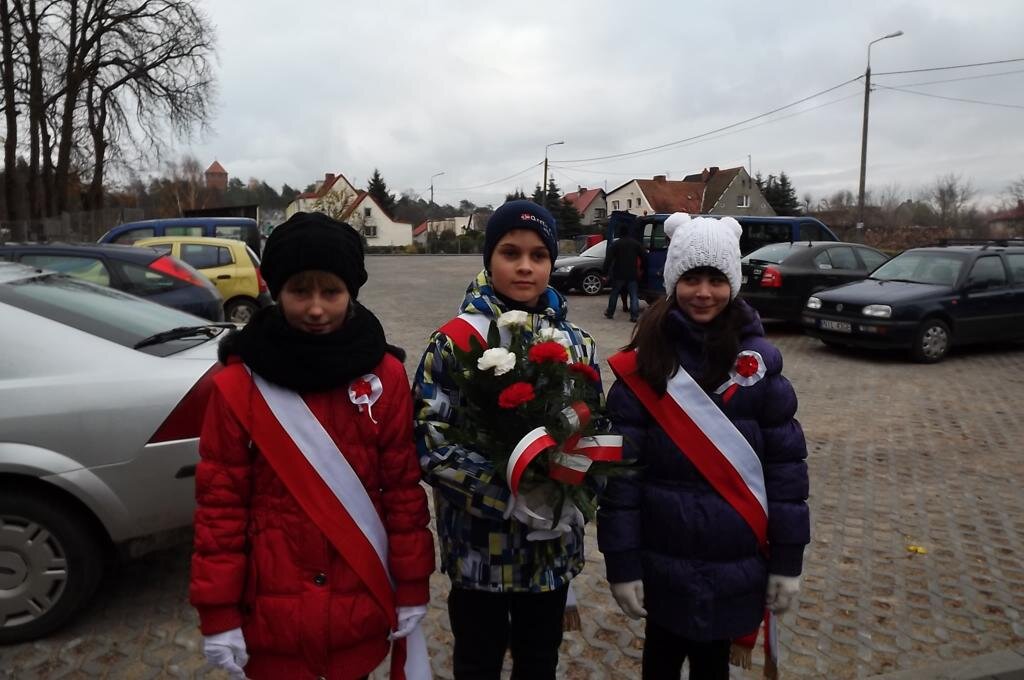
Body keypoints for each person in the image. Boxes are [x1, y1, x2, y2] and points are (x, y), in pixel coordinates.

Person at [189, 212, 435, 680]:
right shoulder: (237, 386)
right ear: (275, 290)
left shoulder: (385, 378)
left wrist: (411, 586)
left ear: (352, 293)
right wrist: (218, 612)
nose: (317, 308)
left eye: (332, 291)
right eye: (300, 291)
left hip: (357, 605)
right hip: (271, 617)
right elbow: (220, 508)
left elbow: (403, 493)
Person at [597, 212, 809, 680]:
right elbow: (621, 479)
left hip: (735, 564)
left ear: (733, 283)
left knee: (714, 668)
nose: (704, 292)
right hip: (662, 562)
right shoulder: (646, 365)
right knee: (660, 663)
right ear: (673, 281)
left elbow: (787, 473)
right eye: (691, 278)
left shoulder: (761, 369)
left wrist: (788, 560)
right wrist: (622, 562)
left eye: (717, 279)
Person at [413, 200, 603, 680]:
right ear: (489, 258)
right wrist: (509, 496)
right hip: (481, 552)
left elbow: (594, 429)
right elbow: (432, 440)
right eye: (510, 252)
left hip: (550, 550)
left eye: (539, 255)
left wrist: (573, 494)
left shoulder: (578, 343)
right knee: (477, 662)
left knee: (539, 661)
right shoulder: (455, 342)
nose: (525, 266)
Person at [604, 228, 646, 322]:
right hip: (632, 273)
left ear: (620, 233)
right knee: (633, 295)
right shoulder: (636, 244)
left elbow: (608, 259)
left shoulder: (615, 244)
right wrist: (642, 268)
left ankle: (610, 312)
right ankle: (634, 316)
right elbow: (644, 256)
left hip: (618, 273)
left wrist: (605, 273)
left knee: (614, 294)